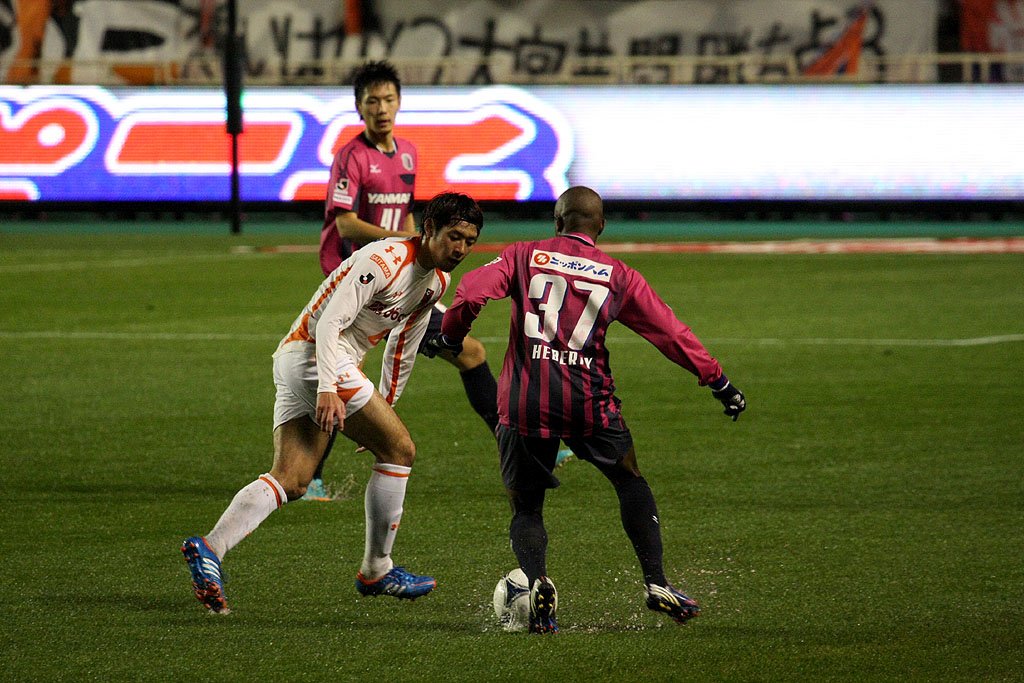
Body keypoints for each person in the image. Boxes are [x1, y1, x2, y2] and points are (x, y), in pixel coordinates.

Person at [430, 186, 746, 634]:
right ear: (600, 227)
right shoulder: (619, 276)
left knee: (527, 508)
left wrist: (451, 334)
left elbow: (473, 292)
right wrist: (718, 381)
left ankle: (537, 580)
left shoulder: (524, 255)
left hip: (525, 400)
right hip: (587, 399)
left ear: (557, 221)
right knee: (629, 479)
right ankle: (656, 581)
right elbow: (671, 333)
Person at [181, 191, 485, 613]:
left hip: (306, 363)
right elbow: (330, 323)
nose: (461, 249)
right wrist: (327, 387)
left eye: (469, 241)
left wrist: (386, 404)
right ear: (429, 228)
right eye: (454, 237)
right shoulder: (384, 260)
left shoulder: (434, 283)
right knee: (400, 450)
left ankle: (210, 548)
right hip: (316, 356)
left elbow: (403, 346)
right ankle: (377, 569)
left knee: (293, 479)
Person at [307, 59, 502, 500]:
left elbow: (412, 218)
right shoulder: (351, 157)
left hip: (406, 281)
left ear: (399, 103)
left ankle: (516, 447)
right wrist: (404, 242)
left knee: (469, 352)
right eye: (372, 101)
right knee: (345, 367)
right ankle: (309, 475)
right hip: (364, 281)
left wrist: (420, 252)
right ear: (359, 107)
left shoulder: (408, 152)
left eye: (389, 99)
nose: (381, 108)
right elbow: (345, 225)